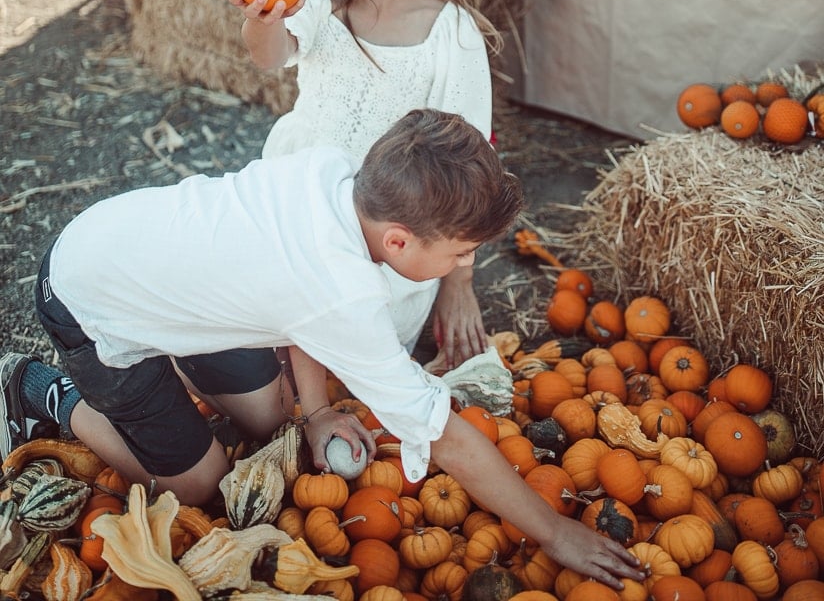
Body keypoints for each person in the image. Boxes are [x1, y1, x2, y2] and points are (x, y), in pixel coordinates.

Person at [0, 109, 643, 590]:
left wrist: (315, 413)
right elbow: (442, 434)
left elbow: (300, 310)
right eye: (459, 253)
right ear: (398, 242)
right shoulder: (344, 298)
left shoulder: (335, 171)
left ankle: (178, 356)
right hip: (89, 304)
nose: (465, 264)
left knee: (267, 421)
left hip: (136, 251)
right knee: (200, 486)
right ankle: (45, 392)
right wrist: (555, 531)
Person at [224, 0, 501, 368]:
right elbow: (271, 55)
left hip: (388, 232)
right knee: (254, 359)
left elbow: (472, 163)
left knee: (346, 364)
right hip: (297, 202)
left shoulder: (451, 30)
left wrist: (456, 283)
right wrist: (261, 18)